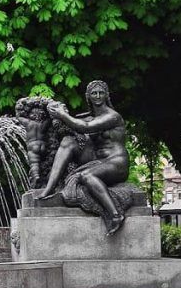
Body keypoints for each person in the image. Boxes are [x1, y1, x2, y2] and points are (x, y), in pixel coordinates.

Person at [34, 80, 130, 235]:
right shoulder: (90, 117)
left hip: (116, 163)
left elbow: (84, 127)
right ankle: (49, 188)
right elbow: (76, 126)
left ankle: (116, 214)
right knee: (68, 141)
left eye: (101, 92)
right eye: (94, 93)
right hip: (97, 161)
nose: (97, 96)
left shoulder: (113, 116)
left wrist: (62, 114)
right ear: (88, 96)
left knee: (87, 176)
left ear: (106, 95)